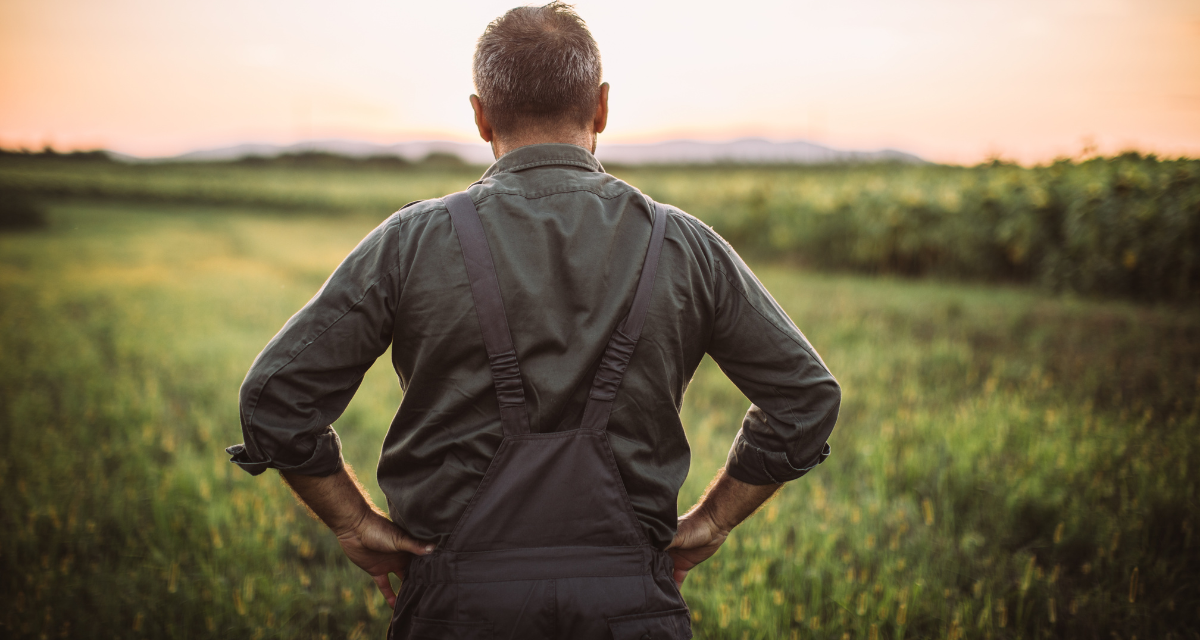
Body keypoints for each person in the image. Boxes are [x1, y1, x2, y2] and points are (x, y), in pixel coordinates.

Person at [225, 3, 840, 638]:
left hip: (457, 607)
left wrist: (354, 523)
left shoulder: (413, 241)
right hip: (631, 606)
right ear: (601, 108)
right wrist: (712, 521)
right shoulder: (683, 245)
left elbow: (277, 398)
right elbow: (804, 399)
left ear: (481, 114)